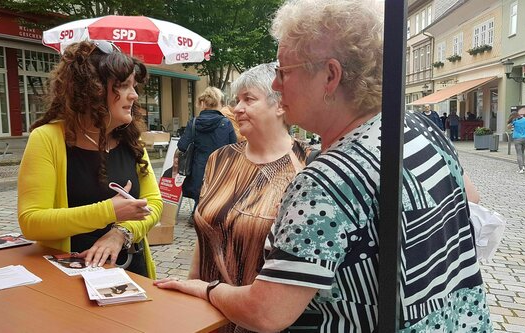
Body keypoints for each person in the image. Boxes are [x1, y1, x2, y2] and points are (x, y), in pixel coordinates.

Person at [155, 1, 491, 332]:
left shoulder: (328, 180)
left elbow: (267, 312)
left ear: (330, 75)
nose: (275, 85)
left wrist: (207, 289)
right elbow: (469, 199)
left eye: (284, 72)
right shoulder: (417, 127)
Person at [17, 40, 162, 279]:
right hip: (69, 277)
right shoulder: (47, 139)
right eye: (124, 86)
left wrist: (120, 232)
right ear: (93, 89)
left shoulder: (130, 140)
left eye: (134, 86)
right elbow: (32, 221)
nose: (134, 95)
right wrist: (108, 211)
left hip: (132, 272)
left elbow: (154, 204)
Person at [189, 63, 311, 333]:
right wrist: (192, 288)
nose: (236, 108)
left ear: (279, 105)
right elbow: (205, 231)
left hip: (265, 320)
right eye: (236, 100)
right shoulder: (220, 159)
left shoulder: (308, 165)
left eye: (248, 99)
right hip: (210, 313)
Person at [178, 87, 237, 218]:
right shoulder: (226, 123)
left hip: (198, 169)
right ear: (219, 103)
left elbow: (182, 146)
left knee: (200, 193)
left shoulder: (193, 123)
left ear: (202, 103)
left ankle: (197, 212)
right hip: (220, 169)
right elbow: (234, 148)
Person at [510, 107, 525, 173]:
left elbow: (509, 127)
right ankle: (523, 166)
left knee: (519, 153)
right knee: (522, 152)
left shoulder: (515, 120)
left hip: (517, 139)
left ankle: (521, 168)